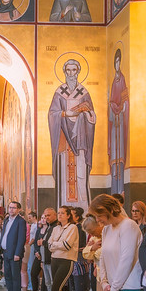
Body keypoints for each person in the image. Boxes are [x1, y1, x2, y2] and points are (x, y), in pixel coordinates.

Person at [48, 59, 96, 210]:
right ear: (64, 72)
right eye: (68, 70)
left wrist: (86, 114)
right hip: (64, 140)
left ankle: (83, 208)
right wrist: (65, 113)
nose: (71, 73)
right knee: (64, 175)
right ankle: (64, 208)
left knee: (81, 173)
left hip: (80, 140)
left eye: (73, 70)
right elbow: (52, 114)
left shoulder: (84, 93)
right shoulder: (59, 93)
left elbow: (92, 115)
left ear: (78, 72)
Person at [47, 206, 80, 291]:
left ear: (68, 215)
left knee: (56, 289)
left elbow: (67, 245)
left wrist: (55, 244)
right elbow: (49, 245)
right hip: (54, 259)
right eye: (58, 213)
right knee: (62, 289)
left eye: (62, 213)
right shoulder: (56, 228)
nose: (59, 215)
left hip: (66, 260)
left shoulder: (72, 228)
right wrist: (57, 245)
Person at [108, 49, 129, 194]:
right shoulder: (113, 82)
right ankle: (115, 186)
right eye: (115, 62)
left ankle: (121, 188)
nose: (117, 64)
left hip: (120, 120)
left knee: (120, 152)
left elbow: (125, 99)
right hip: (114, 123)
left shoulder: (122, 79)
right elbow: (111, 100)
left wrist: (121, 108)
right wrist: (112, 108)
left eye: (118, 61)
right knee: (114, 154)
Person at [0, 201, 27, 291]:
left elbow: (21, 238)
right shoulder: (6, 220)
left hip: (15, 253)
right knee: (7, 275)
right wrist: (1, 250)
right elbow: (4, 235)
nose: (11, 210)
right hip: (6, 252)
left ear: (18, 209)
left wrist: (18, 253)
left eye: (14, 208)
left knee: (15, 276)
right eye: (10, 207)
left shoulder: (21, 221)